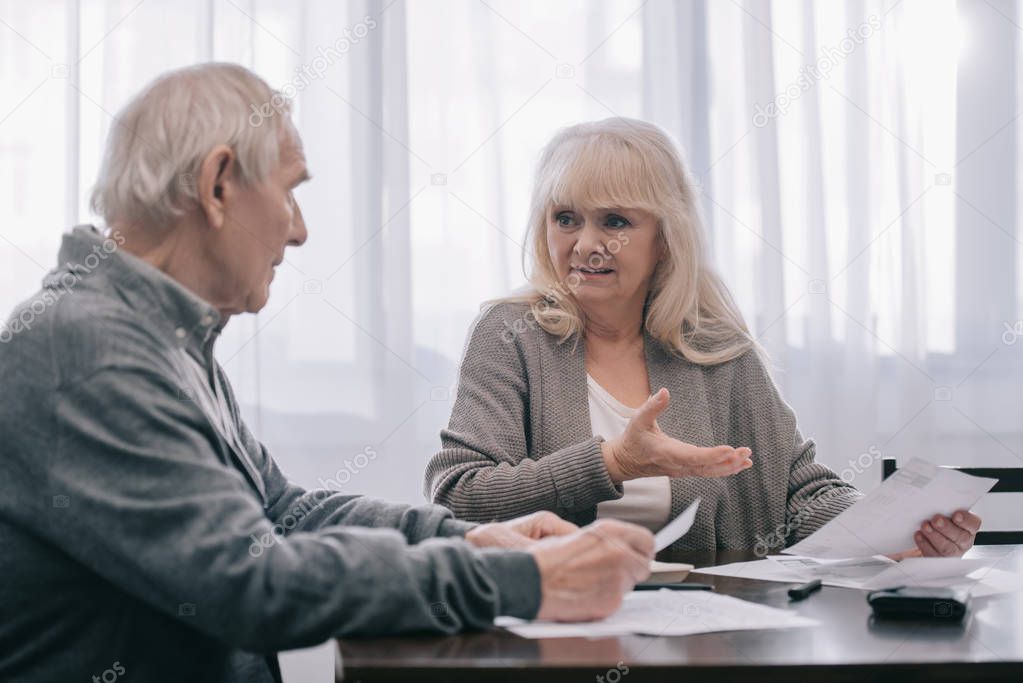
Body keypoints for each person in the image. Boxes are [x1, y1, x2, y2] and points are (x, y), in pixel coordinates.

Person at [0, 65, 655, 683]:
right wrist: (525, 582)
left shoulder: (153, 333)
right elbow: (249, 583)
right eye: (289, 191)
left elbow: (279, 512)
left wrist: (474, 541)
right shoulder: (87, 350)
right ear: (218, 184)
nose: (300, 230)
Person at [425, 117, 982, 558]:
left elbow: (800, 495)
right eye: (566, 218)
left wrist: (898, 534)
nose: (585, 243)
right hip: (552, 628)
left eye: (615, 222)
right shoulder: (508, 336)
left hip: (701, 631)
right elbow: (461, 495)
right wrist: (615, 462)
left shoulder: (714, 347)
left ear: (665, 239)